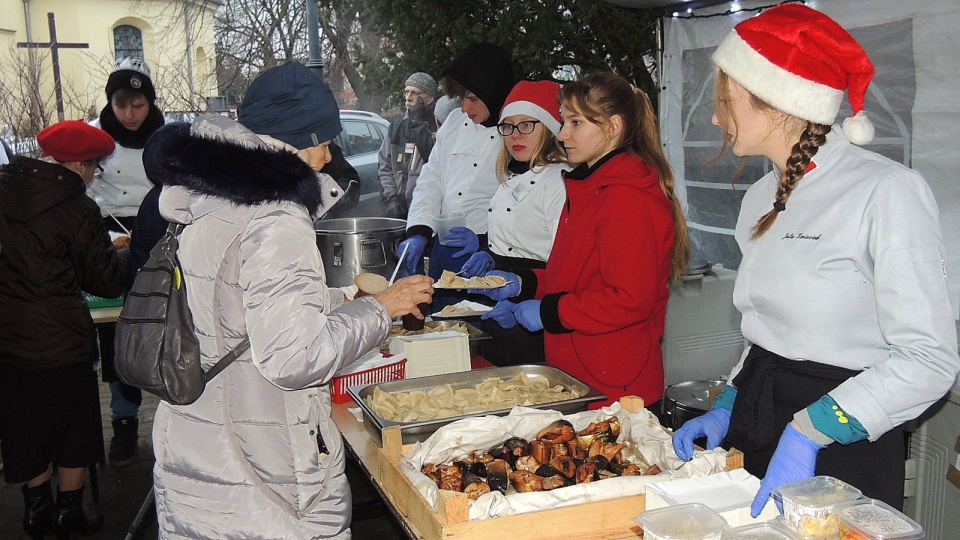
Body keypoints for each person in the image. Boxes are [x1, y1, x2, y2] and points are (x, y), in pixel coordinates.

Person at [671, 4, 960, 518]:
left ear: (778, 103)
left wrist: (811, 431)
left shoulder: (886, 191)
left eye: (725, 99)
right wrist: (728, 402)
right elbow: (764, 332)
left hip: (847, 433)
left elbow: (929, 361)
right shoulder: (759, 197)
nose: (715, 117)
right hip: (761, 417)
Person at [147, 64, 433, 538]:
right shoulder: (276, 214)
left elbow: (234, 303)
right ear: (305, 136)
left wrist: (344, 296)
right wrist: (382, 309)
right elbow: (295, 357)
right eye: (326, 140)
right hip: (263, 470)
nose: (327, 156)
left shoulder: (210, 194)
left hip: (200, 442)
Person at [475, 72, 690, 408]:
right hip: (581, 374)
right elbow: (578, 277)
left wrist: (550, 312)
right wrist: (524, 283)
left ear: (613, 127)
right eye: (564, 122)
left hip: (617, 385)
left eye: (575, 123)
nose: (562, 134)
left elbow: (630, 300)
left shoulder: (628, 198)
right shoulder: (590, 188)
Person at [0, 120, 124, 539]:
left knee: (24, 423)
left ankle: (36, 511)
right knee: (74, 425)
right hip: (62, 340)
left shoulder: (3, 189)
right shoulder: (76, 207)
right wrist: (123, 256)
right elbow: (104, 282)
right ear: (82, 166)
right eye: (95, 169)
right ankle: (69, 512)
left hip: (9, 339)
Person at [454, 80, 568, 366]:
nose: (515, 135)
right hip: (500, 314)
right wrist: (489, 255)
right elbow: (517, 241)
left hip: (536, 319)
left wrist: (528, 298)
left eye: (527, 125)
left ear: (551, 129)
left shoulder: (560, 182)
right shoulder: (511, 177)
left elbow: (565, 264)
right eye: (508, 126)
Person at [88, 56, 166, 467]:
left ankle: (181, 408)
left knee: (168, 327)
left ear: (150, 104)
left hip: (160, 232)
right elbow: (84, 197)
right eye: (122, 105)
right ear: (111, 103)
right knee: (118, 334)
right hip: (112, 239)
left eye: (138, 105)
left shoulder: (166, 136)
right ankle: (123, 421)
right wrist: (106, 239)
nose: (131, 114)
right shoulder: (97, 140)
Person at [396, 42, 515, 310]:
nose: (464, 107)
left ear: (493, 92)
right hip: (445, 252)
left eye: (472, 98)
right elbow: (431, 180)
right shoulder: (453, 124)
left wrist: (487, 245)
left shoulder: (517, 132)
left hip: (489, 256)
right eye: (461, 98)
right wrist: (418, 231)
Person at [236, 63, 361, 220]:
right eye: (324, 146)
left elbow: (350, 179)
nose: (329, 157)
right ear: (295, 142)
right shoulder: (279, 211)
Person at [378, 72, 438, 218]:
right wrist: (391, 197)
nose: (408, 97)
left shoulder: (437, 125)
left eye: (415, 93)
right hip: (398, 206)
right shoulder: (396, 127)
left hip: (426, 208)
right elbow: (385, 166)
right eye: (406, 92)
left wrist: (419, 122)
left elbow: (434, 160)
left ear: (429, 98)